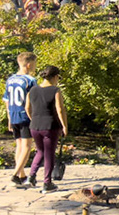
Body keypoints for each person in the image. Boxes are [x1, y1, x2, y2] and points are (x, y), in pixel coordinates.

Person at [24, 64, 70, 192]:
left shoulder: (32, 90)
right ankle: (47, 183)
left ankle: (31, 177)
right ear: (55, 76)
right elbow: (60, 109)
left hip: (35, 126)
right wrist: (64, 126)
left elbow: (27, 107)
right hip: (50, 126)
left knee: (40, 151)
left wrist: (33, 118)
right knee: (49, 154)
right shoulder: (55, 90)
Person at [4, 51, 38, 184]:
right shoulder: (30, 80)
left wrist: (9, 117)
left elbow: (7, 100)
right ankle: (15, 174)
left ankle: (22, 175)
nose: (35, 66)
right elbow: (33, 100)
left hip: (13, 114)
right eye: (34, 63)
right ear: (28, 65)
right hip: (25, 116)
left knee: (19, 145)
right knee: (27, 146)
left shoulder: (10, 79)